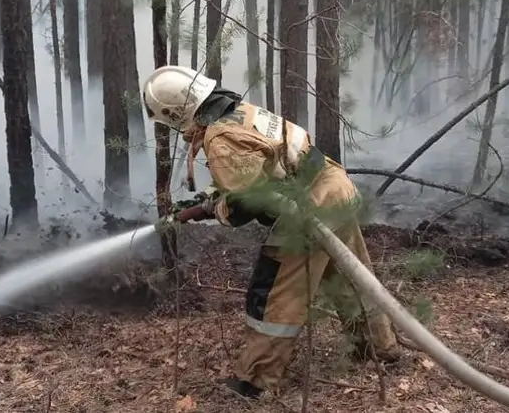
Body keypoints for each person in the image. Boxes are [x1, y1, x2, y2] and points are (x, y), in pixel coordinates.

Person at [142, 65, 401, 398]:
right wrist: (205, 202)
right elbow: (260, 170)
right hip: (333, 187)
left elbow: (248, 203)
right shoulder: (238, 113)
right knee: (349, 277)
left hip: (307, 209)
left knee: (274, 294)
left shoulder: (218, 139)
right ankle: (380, 347)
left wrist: (212, 210)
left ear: (176, 111)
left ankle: (256, 380)